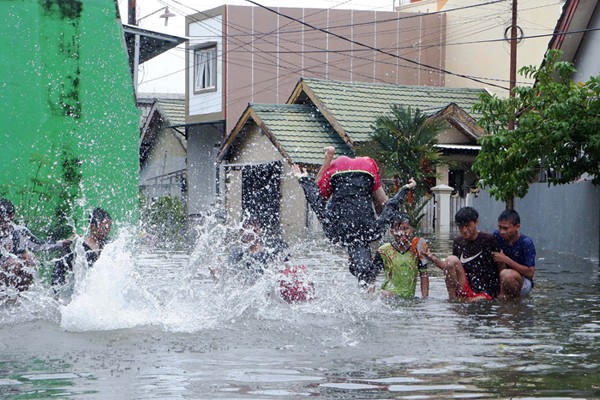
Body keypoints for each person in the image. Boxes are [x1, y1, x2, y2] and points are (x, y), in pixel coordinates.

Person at [292, 146, 416, 287]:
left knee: (382, 204)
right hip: (341, 169)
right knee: (320, 197)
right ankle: (328, 158)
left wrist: (406, 188)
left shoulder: (372, 233)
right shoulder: (337, 236)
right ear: (350, 259)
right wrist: (302, 179)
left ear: (369, 256)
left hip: (365, 167)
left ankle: (328, 158)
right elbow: (317, 205)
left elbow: (390, 206)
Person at [0, 198, 69, 293]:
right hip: (3, 274)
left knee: (29, 258)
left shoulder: (20, 231)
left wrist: (63, 243)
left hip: (12, 271)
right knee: (14, 263)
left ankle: (20, 298)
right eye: (2, 216)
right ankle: (5, 298)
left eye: (9, 215)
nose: (6, 218)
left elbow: (40, 245)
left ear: (12, 216)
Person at [373, 213, 444, 299]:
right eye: (398, 229)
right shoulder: (383, 251)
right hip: (387, 297)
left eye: (406, 229)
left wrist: (425, 299)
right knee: (388, 295)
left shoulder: (417, 250)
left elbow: (423, 274)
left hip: (408, 298)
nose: (402, 233)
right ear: (392, 232)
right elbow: (372, 276)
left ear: (411, 230)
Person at [441, 206, 501, 302]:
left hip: (485, 291)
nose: (464, 230)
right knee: (450, 260)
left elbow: (499, 264)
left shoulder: (488, 240)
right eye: (461, 226)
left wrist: (500, 293)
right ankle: (453, 300)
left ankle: (466, 300)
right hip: (466, 288)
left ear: (476, 222)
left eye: (468, 225)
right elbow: (452, 269)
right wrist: (431, 258)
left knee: (478, 301)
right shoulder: (458, 242)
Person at [51, 207, 112, 287]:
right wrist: (56, 295)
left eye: (109, 227)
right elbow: (58, 270)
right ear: (92, 226)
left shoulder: (109, 245)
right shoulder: (79, 246)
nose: (108, 230)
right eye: (105, 227)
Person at [492, 209, 536, 300]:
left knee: (507, 274)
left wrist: (506, 259)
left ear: (517, 227)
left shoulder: (526, 243)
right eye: (500, 227)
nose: (502, 232)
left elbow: (530, 273)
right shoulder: (496, 236)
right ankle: (503, 296)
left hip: (522, 281)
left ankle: (515, 302)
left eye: (505, 228)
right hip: (502, 277)